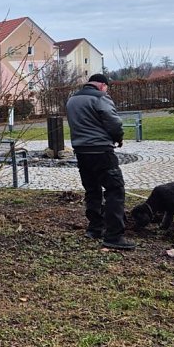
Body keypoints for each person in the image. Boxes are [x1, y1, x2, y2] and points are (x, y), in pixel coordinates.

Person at [65, 73, 135, 250]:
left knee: (92, 190)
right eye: (107, 88)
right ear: (103, 85)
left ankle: (95, 228)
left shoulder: (72, 100)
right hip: (101, 151)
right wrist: (118, 138)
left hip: (81, 152)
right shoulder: (101, 98)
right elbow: (114, 123)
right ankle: (114, 236)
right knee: (115, 190)